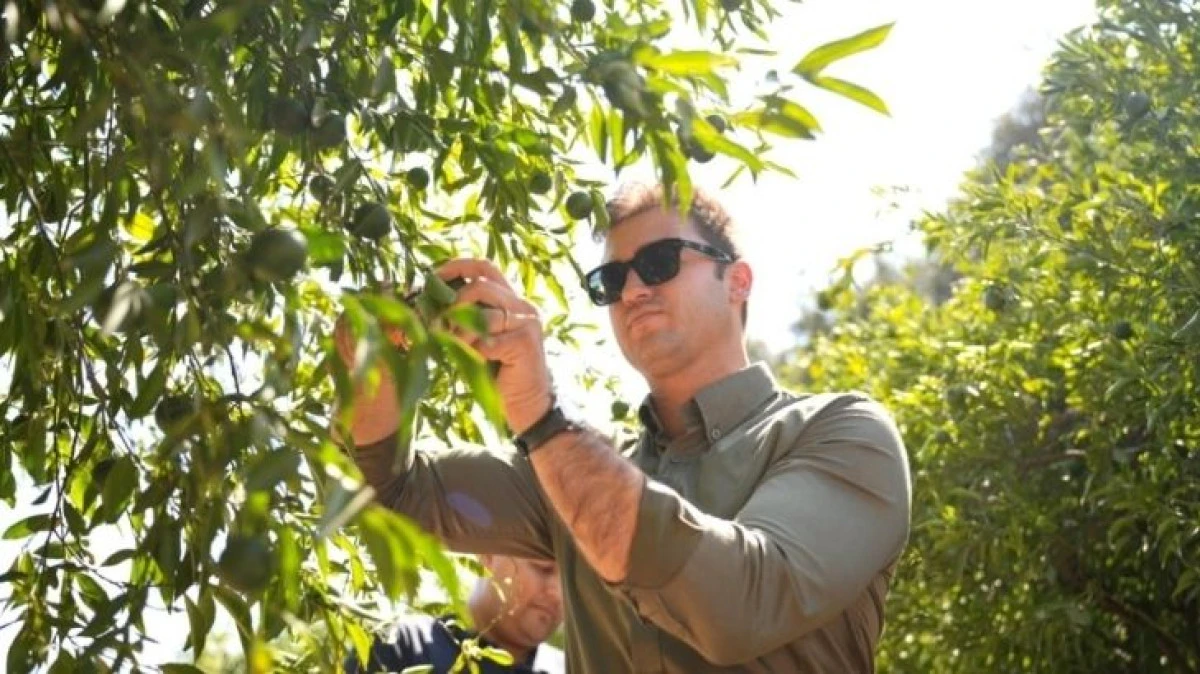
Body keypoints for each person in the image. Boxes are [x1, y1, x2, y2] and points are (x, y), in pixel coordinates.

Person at [334, 182, 912, 672]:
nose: (633, 291)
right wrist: (373, 367)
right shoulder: (565, 476)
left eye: (660, 262)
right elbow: (391, 495)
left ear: (737, 280)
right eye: (611, 280)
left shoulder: (842, 433)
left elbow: (741, 608)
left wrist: (539, 415)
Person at [346, 554, 565, 674]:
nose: (558, 592)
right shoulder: (402, 644)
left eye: (572, 582)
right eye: (543, 568)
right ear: (489, 555)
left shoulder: (574, 669)